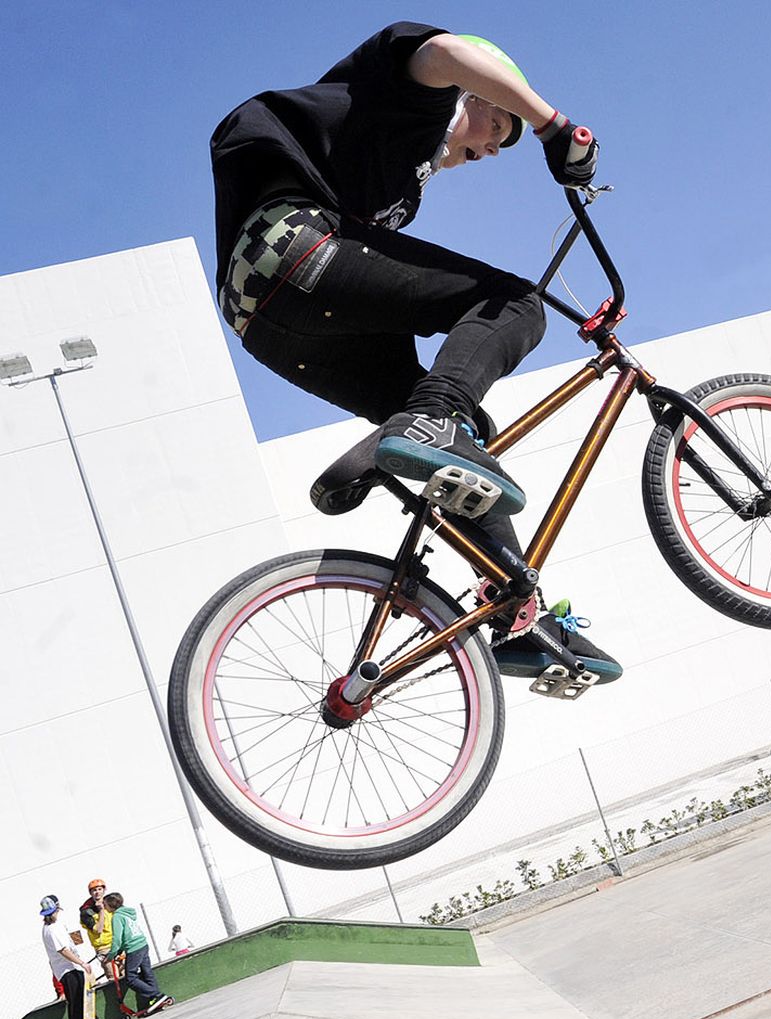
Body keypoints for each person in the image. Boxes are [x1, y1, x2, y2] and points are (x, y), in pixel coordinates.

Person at [209, 22, 620, 684]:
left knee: (462, 435)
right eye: (497, 126)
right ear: (472, 96)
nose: (493, 149)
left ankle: (516, 611)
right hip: (292, 246)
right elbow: (448, 54)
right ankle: (424, 422)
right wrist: (552, 127)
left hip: (262, 321)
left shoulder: (402, 187)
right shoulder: (415, 97)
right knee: (516, 305)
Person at [101, 893, 174, 1015]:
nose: (104, 907)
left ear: (111, 905)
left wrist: (110, 955)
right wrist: (119, 951)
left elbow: (117, 939)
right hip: (143, 944)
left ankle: (157, 995)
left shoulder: (117, 916)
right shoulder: (128, 913)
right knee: (147, 973)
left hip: (134, 948)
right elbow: (127, 934)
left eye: (105, 904)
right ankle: (157, 999)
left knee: (131, 978)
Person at [40, 895, 95, 1019]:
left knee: (84, 997)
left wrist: (80, 957)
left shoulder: (58, 924)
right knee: (75, 1000)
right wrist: (82, 962)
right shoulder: (50, 930)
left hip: (73, 967)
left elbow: (70, 941)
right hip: (65, 969)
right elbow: (63, 950)